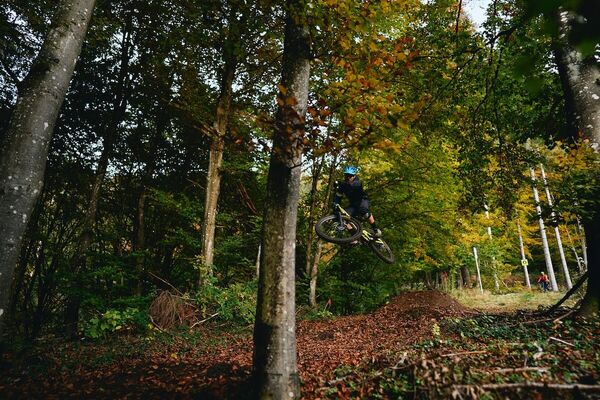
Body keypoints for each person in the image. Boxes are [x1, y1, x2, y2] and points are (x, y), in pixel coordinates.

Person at [333, 165, 382, 237]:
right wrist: (336, 204)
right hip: (353, 205)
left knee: (364, 211)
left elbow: (354, 185)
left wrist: (340, 183)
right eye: (346, 175)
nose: (348, 177)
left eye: (350, 176)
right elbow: (338, 196)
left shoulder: (357, 182)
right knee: (344, 217)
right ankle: (354, 238)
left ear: (354, 176)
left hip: (362, 201)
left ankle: (375, 229)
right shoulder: (343, 185)